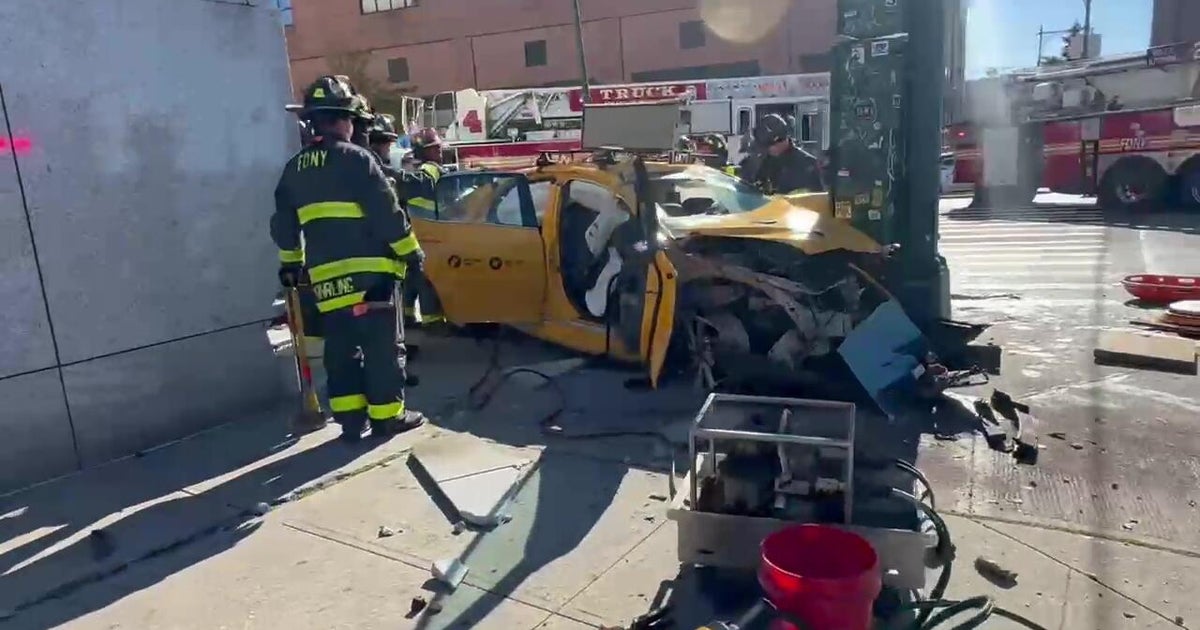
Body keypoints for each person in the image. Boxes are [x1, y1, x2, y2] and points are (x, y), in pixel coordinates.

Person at [271, 75, 426, 442]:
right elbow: (386, 213)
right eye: (351, 120)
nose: (353, 126)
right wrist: (413, 253)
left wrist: (291, 264)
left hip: (327, 281)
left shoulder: (293, 169)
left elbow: (284, 226)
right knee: (381, 349)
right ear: (343, 120)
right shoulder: (358, 160)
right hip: (372, 277)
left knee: (340, 351)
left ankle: (351, 421)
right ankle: (388, 417)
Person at [397, 128, 447, 327]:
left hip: (409, 231)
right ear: (423, 151)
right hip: (429, 232)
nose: (439, 152)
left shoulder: (406, 169)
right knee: (426, 278)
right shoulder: (431, 168)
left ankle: (407, 316)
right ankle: (433, 321)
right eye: (435, 148)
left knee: (410, 277)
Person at [744, 113, 825, 195]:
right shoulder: (765, 162)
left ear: (780, 141)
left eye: (768, 146)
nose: (766, 150)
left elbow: (817, 200)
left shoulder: (808, 165)